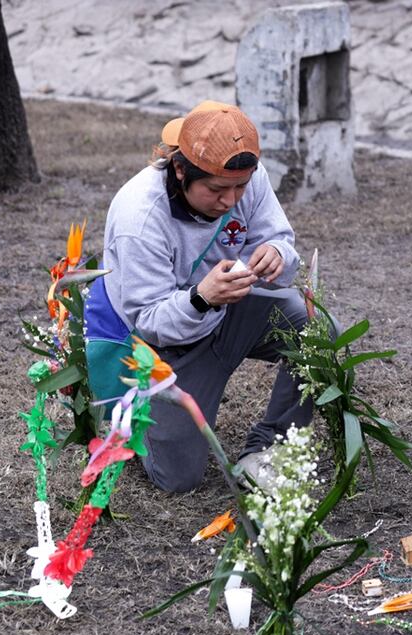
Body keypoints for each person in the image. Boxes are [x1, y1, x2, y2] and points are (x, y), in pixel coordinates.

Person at [86, 100, 312, 492]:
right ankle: (136, 411)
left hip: (227, 313)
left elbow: (280, 237)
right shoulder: (140, 217)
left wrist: (277, 254)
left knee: (313, 329)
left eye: (240, 186)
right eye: (216, 190)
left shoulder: (245, 180)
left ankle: (267, 448)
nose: (231, 200)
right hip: (161, 348)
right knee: (179, 478)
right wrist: (201, 298)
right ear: (179, 170)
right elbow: (149, 321)